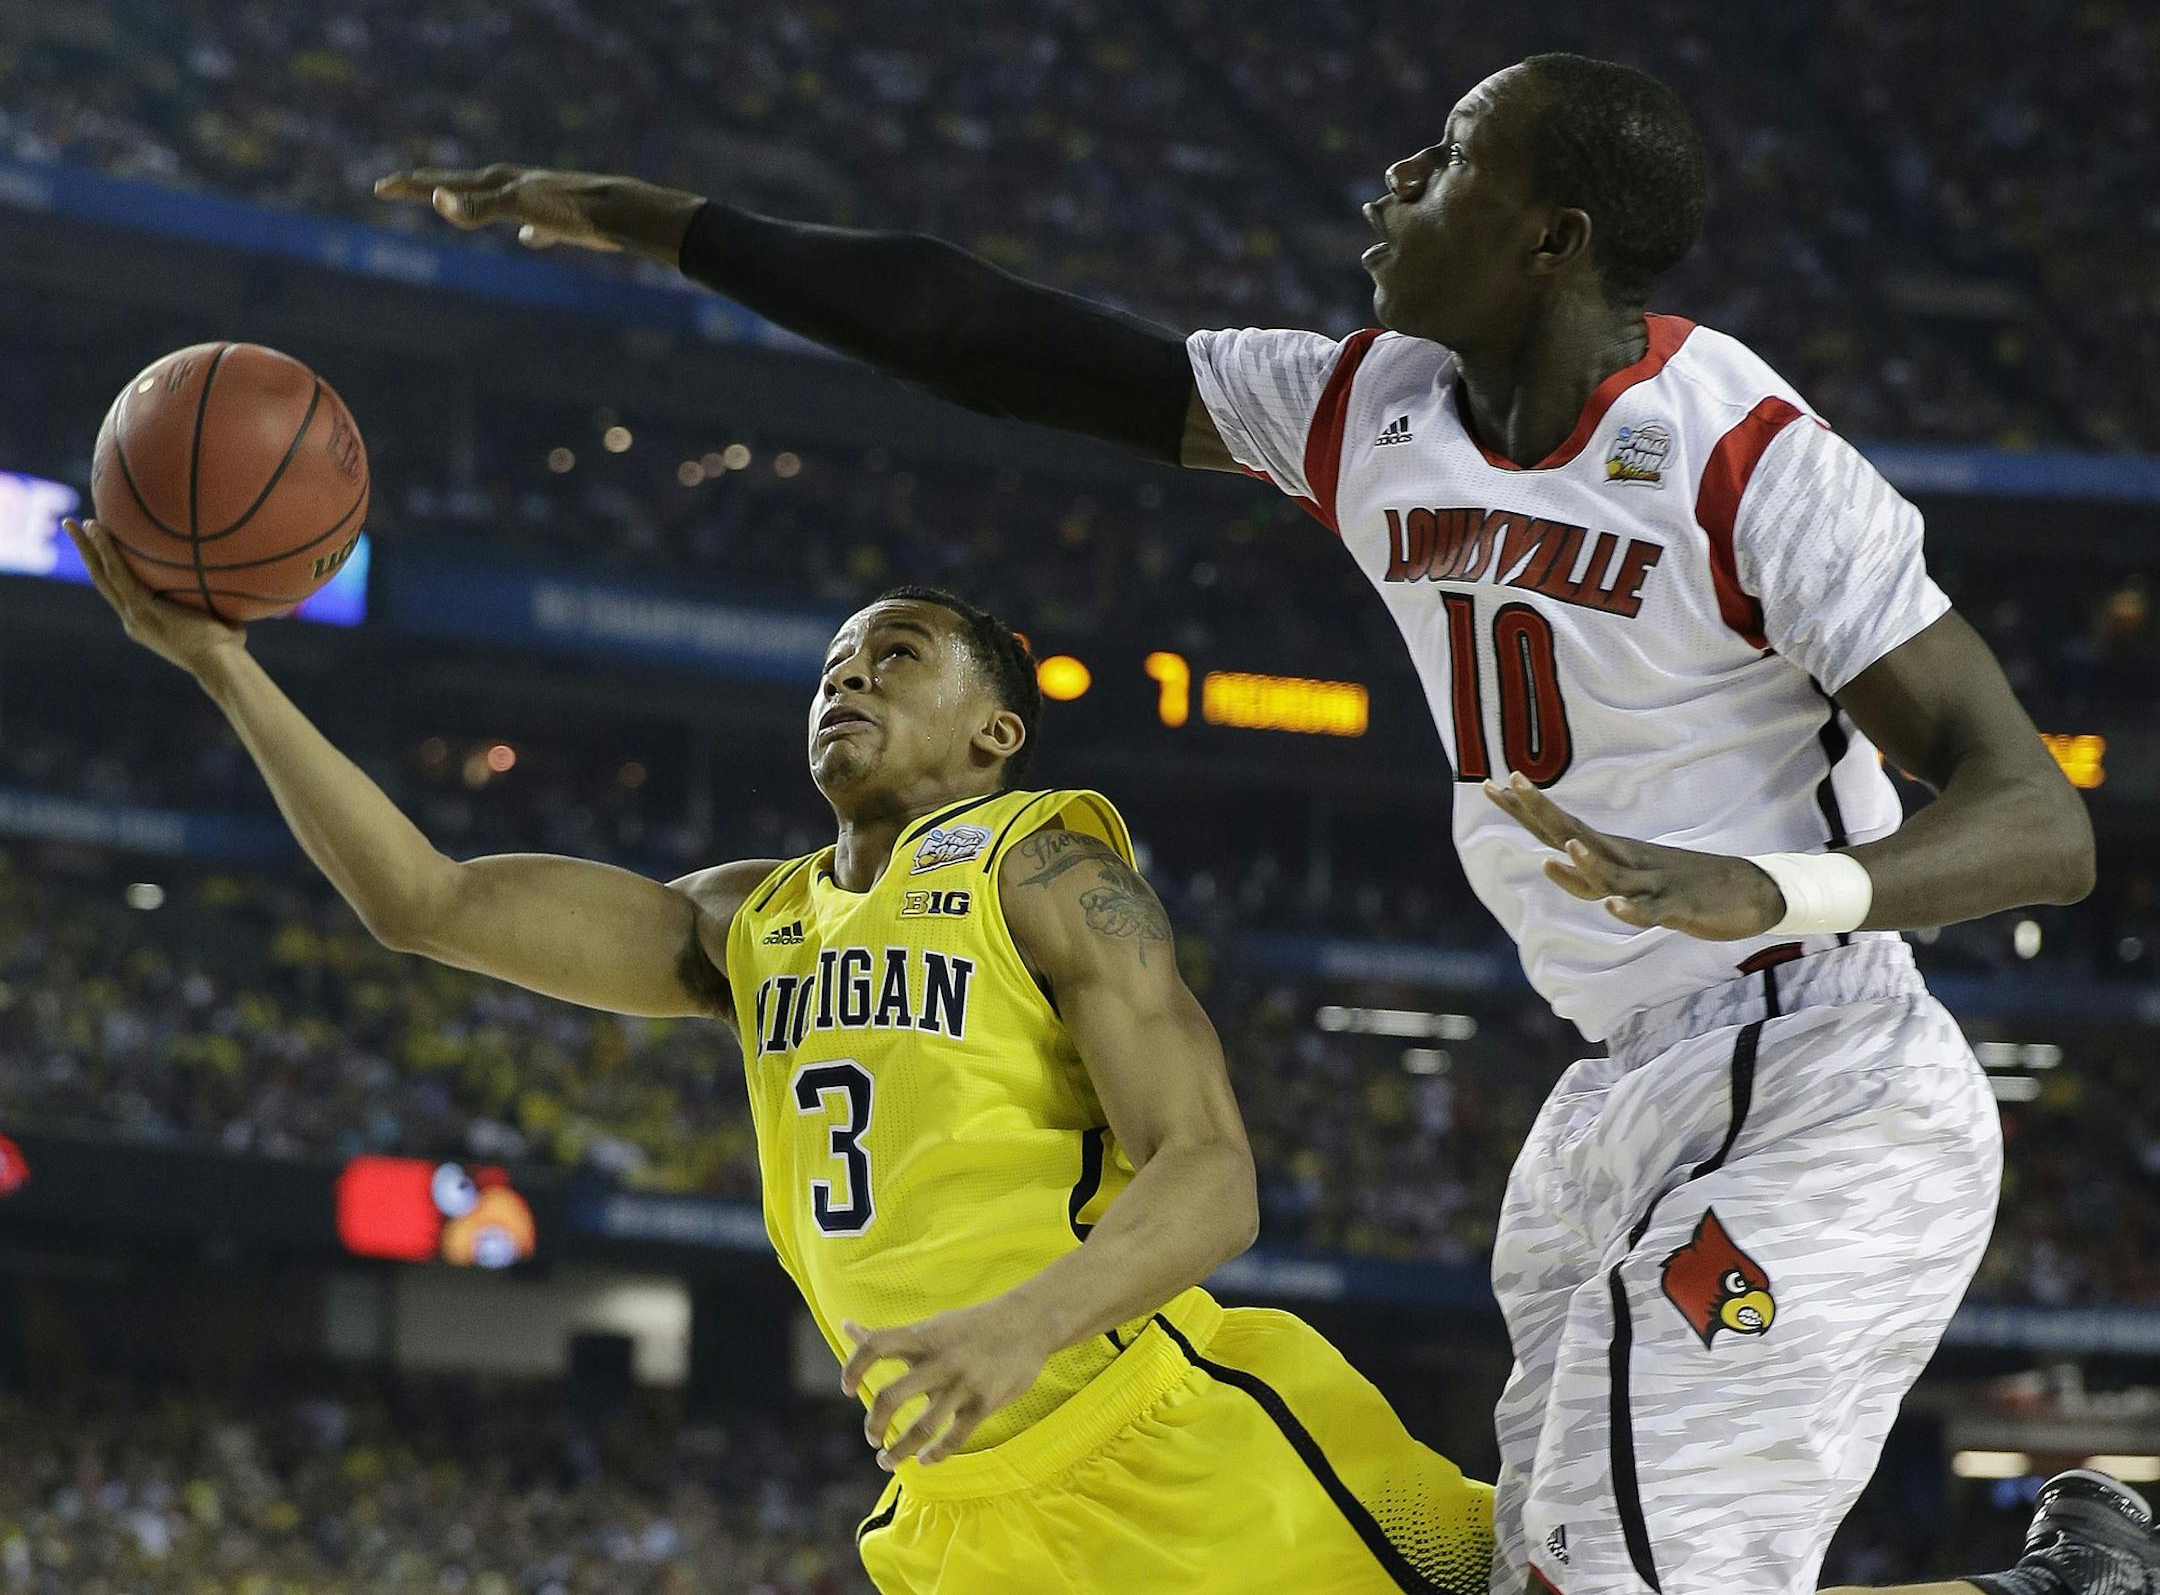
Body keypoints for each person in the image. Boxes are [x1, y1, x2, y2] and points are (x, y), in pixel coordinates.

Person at [373, 50, 2160, 1595]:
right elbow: (981, 333)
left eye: (1450, 159)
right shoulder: (1365, 408)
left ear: (1551, 240)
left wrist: (1771, 887)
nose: (1395, 177)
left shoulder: (1744, 453)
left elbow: (2038, 822)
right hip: (1615, 1089)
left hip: (1817, 1067)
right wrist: (660, 223)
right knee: (1509, 1578)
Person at [63, 520, 1492, 1595]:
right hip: (960, 1515)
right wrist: (226, 668)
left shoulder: (1046, 868)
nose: (849, 676)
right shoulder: (749, 921)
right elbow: (425, 903)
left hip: (1173, 1433)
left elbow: (1214, 1179)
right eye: (832, 666)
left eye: (896, 656)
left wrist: (1019, 1327)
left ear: (996, 730)